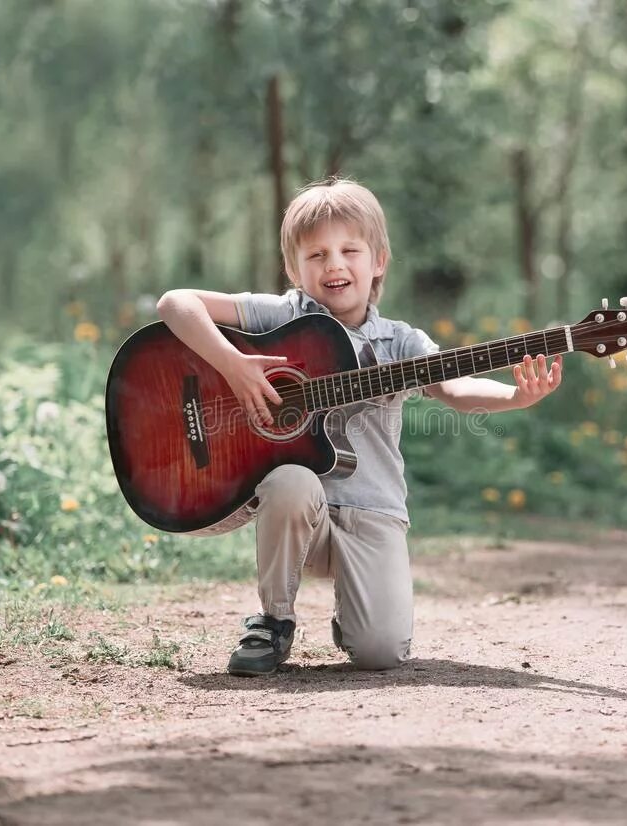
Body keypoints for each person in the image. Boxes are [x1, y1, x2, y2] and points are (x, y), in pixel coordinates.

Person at [156, 178, 563, 677]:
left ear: (379, 262)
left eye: (350, 250)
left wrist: (516, 396)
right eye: (317, 254)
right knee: (291, 479)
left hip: (373, 512)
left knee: (380, 653)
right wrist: (235, 364)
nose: (334, 265)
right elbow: (176, 303)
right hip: (304, 516)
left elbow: (453, 391)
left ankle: (355, 614)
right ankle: (273, 621)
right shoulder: (281, 315)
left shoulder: (400, 343)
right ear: (293, 268)